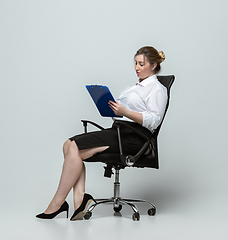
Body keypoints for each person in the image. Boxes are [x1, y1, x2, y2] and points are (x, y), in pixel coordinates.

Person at [36, 46, 167, 221]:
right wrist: (109, 106)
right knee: (68, 145)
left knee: (73, 148)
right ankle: (80, 201)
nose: (136, 67)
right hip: (119, 131)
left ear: (154, 65)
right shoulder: (135, 87)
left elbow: (154, 120)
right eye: (135, 63)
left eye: (141, 64)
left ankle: (57, 204)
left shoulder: (157, 89)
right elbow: (122, 111)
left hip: (135, 138)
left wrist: (125, 111)